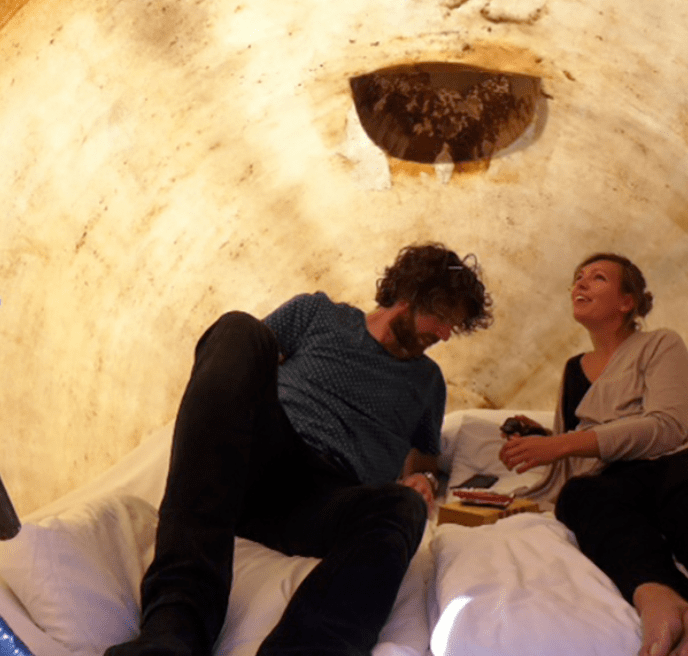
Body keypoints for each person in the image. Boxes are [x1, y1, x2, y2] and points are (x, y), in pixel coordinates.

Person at [106, 242, 492, 656]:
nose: (445, 335)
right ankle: (172, 632)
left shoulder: (428, 382)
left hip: (327, 500)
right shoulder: (317, 313)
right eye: (442, 317)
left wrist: (424, 478)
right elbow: (240, 367)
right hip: (260, 461)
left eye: (454, 327)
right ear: (410, 294)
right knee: (239, 329)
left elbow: (425, 459)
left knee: (404, 507)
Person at [499, 253, 688, 656]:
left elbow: (667, 426)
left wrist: (560, 444)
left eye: (597, 278)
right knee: (581, 498)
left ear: (627, 301)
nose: (580, 284)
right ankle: (661, 598)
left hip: (680, 458)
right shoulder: (573, 369)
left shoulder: (660, 344)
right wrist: (542, 439)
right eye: (577, 278)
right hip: (617, 477)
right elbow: (577, 448)